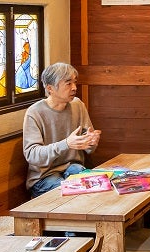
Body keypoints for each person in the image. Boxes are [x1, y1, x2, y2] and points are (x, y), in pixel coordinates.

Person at [23, 62, 102, 198]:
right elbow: (32, 155)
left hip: (72, 167)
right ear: (50, 88)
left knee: (96, 187)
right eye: (68, 83)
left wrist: (91, 141)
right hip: (44, 176)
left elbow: (89, 149)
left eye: (75, 82)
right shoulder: (35, 112)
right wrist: (66, 144)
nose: (74, 88)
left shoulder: (78, 105)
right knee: (74, 195)